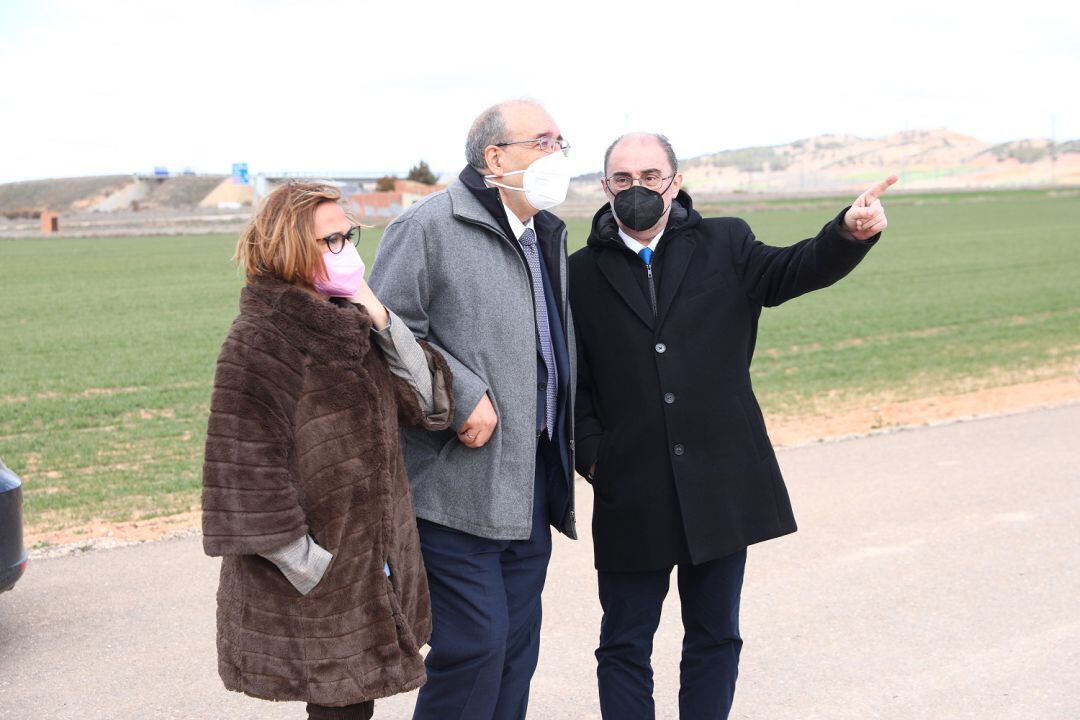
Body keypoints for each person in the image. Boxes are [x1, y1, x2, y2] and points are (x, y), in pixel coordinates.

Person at [569, 132, 896, 719]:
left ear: (676, 181)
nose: (636, 189)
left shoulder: (726, 242)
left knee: (715, 635)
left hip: (719, 479)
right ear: (604, 187)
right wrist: (595, 456)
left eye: (650, 175)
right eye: (623, 178)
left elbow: (795, 269)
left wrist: (846, 231)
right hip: (631, 487)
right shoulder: (577, 274)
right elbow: (573, 384)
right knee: (623, 643)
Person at [200, 181, 454, 720]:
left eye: (349, 235)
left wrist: (376, 311)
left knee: (355, 705)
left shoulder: (352, 323)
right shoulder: (259, 339)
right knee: (338, 710)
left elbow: (428, 400)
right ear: (290, 247)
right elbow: (243, 473)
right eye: (330, 240)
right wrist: (311, 566)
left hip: (374, 566)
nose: (347, 249)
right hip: (319, 579)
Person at [367, 99, 577, 720]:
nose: (557, 155)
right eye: (542, 142)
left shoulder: (545, 232)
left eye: (561, 142)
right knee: (473, 649)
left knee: (516, 649)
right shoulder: (428, 226)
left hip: (529, 481)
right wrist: (459, 393)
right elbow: (381, 329)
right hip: (454, 483)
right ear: (495, 158)